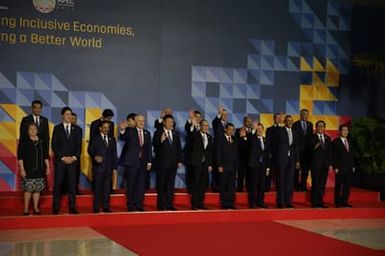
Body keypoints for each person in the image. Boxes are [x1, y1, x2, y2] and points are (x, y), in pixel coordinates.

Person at [51, 107, 82, 214]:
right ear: (62, 116)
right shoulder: (57, 128)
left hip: (73, 162)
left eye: (70, 114)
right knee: (58, 184)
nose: (69, 116)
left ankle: (72, 207)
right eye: (67, 114)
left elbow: (79, 147)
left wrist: (73, 158)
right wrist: (63, 157)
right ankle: (55, 207)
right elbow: (54, 145)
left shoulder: (77, 130)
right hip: (61, 162)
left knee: (72, 185)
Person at [119, 115, 152, 212]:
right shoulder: (130, 131)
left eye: (143, 121)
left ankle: (139, 205)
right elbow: (123, 136)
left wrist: (149, 162)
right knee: (131, 185)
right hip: (132, 162)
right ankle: (130, 204)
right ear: (136, 122)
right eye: (140, 121)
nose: (142, 123)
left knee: (141, 185)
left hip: (143, 163)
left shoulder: (147, 133)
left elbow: (149, 148)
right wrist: (122, 129)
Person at [18, 123, 50, 215]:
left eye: (34, 129)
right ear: (28, 131)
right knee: (28, 189)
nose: (33, 130)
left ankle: (36, 208)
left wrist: (47, 167)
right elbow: (20, 157)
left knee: (37, 189)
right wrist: (22, 169)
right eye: (31, 129)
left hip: (39, 169)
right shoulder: (24, 141)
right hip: (28, 169)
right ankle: (26, 209)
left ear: (37, 130)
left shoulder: (41, 141)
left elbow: (45, 156)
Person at [152, 114, 182, 211]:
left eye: (172, 122)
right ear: (164, 122)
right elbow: (154, 147)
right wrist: (160, 141)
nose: (170, 124)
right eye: (168, 122)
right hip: (162, 164)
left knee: (170, 186)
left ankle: (169, 205)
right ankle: (161, 205)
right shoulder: (158, 133)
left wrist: (179, 160)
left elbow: (179, 149)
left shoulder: (175, 134)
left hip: (173, 164)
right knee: (161, 186)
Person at [88, 120, 118, 213]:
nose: (106, 129)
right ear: (100, 128)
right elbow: (90, 149)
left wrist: (115, 168)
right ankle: (96, 207)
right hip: (98, 167)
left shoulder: (112, 139)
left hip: (108, 168)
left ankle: (106, 207)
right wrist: (95, 156)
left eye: (108, 128)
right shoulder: (95, 138)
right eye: (104, 128)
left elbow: (114, 154)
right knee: (97, 188)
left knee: (107, 189)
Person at [186, 119, 213, 210]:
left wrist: (209, 164)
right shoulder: (195, 135)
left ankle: (200, 203)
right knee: (195, 184)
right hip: (196, 164)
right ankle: (194, 204)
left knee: (203, 185)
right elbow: (190, 135)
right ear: (200, 126)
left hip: (205, 165)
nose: (205, 127)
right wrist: (192, 126)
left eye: (207, 125)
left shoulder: (209, 137)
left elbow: (209, 152)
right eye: (204, 125)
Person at [275, 115, 300, 208]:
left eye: (291, 121)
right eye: (288, 121)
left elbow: (296, 147)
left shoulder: (295, 132)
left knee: (290, 182)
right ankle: (280, 202)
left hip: (292, 160)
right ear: (285, 121)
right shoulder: (280, 131)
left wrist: (297, 160)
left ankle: (288, 201)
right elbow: (275, 146)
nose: (290, 122)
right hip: (282, 159)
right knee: (281, 181)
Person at [308, 120, 333, 208]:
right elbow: (309, 149)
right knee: (316, 183)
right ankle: (314, 202)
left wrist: (330, 163)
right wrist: (316, 145)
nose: (320, 128)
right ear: (316, 127)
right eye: (319, 126)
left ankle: (320, 201)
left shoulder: (328, 138)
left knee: (322, 184)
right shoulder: (312, 137)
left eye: (322, 126)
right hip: (315, 164)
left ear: (324, 128)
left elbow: (330, 152)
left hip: (325, 165)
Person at [215, 123, 238, 209]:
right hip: (223, 166)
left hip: (232, 167)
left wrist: (236, 166)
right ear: (225, 129)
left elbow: (236, 154)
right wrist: (219, 165)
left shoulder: (234, 139)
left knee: (231, 186)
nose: (231, 131)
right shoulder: (220, 139)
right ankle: (224, 203)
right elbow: (217, 153)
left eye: (232, 130)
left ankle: (230, 203)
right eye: (229, 129)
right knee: (223, 186)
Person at [247, 122, 270, 208]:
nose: (260, 130)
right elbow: (250, 139)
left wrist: (268, 167)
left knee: (262, 185)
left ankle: (260, 202)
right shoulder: (252, 139)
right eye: (258, 129)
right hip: (254, 165)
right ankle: (252, 203)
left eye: (261, 129)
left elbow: (267, 154)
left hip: (263, 166)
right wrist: (253, 130)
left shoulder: (265, 140)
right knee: (253, 185)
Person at [333, 125, 355, 208]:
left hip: (348, 167)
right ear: (340, 132)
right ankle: (338, 203)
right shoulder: (336, 142)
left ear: (348, 132)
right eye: (343, 130)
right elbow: (334, 155)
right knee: (338, 185)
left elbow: (351, 155)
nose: (345, 132)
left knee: (347, 186)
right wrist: (335, 167)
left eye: (346, 130)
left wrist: (352, 165)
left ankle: (344, 202)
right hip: (339, 168)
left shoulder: (349, 141)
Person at [292, 109, 313, 191]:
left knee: (305, 171)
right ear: (300, 115)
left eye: (307, 114)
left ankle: (303, 186)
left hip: (307, 153)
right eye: (304, 114)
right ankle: (296, 187)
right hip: (298, 151)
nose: (305, 115)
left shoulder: (310, 125)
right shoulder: (295, 125)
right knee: (296, 170)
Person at [184, 110, 202, 193]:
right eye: (196, 117)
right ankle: (190, 189)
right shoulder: (190, 126)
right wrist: (191, 120)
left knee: (198, 174)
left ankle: (197, 189)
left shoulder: (202, 127)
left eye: (199, 117)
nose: (198, 118)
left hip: (199, 156)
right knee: (190, 173)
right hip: (190, 155)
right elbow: (188, 129)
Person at [211, 106, 228, 191]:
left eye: (225, 114)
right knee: (216, 168)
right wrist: (219, 114)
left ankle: (222, 186)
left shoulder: (228, 125)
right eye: (223, 114)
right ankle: (215, 186)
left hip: (225, 151)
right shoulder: (216, 123)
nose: (224, 116)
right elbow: (215, 122)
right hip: (217, 148)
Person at [235, 116, 253, 192]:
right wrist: (241, 136)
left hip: (251, 157)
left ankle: (249, 188)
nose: (249, 123)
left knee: (250, 174)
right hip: (241, 157)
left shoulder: (253, 131)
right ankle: (239, 189)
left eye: (250, 121)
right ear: (244, 122)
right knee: (241, 173)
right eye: (247, 121)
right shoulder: (238, 131)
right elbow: (236, 143)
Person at [265, 112, 281, 192]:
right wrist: (269, 153)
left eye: (279, 118)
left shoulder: (283, 129)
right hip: (271, 154)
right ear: (274, 119)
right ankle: (267, 188)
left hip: (281, 155)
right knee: (269, 171)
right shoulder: (269, 129)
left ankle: (279, 188)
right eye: (276, 118)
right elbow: (268, 142)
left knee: (279, 172)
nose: (278, 119)